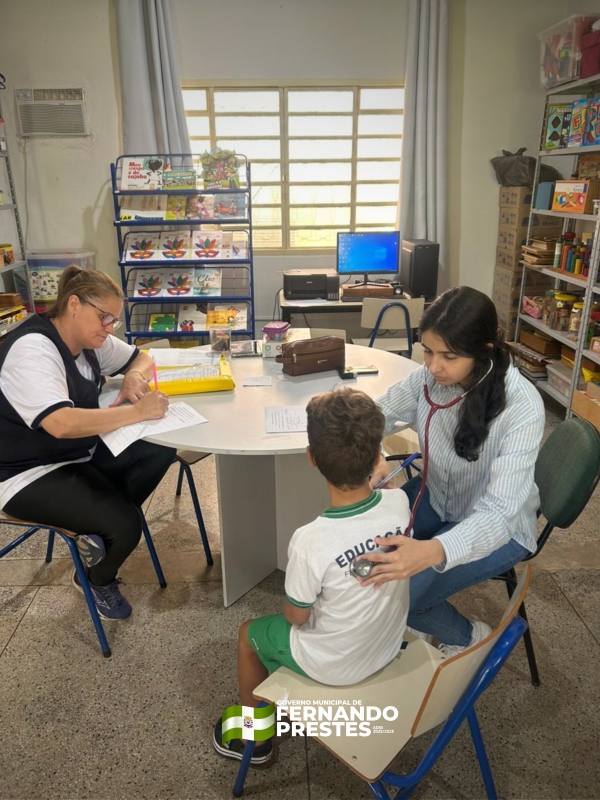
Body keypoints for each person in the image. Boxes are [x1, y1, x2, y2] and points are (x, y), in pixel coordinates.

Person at [213, 388, 411, 765]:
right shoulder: (399, 503)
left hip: (333, 666)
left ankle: (255, 740)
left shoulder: (310, 541)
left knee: (248, 634)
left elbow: (296, 617)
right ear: (376, 456)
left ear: (311, 459)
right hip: (385, 648)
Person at [363, 286, 545, 656]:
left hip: (500, 529)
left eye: (448, 356)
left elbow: (498, 515)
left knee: (407, 598)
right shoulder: (430, 379)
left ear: (485, 351)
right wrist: (373, 452)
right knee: (367, 546)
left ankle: (470, 640)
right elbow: (374, 416)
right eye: (427, 351)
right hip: (438, 498)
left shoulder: (523, 408)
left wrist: (431, 551)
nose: (432, 366)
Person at [0, 266, 176, 620]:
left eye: (115, 320)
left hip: (76, 456)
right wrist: (138, 411)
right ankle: (96, 578)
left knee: (159, 451)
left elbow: (140, 357)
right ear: (75, 305)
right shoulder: (33, 350)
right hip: (25, 474)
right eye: (105, 317)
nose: (110, 328)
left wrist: (133, 379)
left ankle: (96, 532)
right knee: (127, 524)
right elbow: (61, 424)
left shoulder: (89, 340)